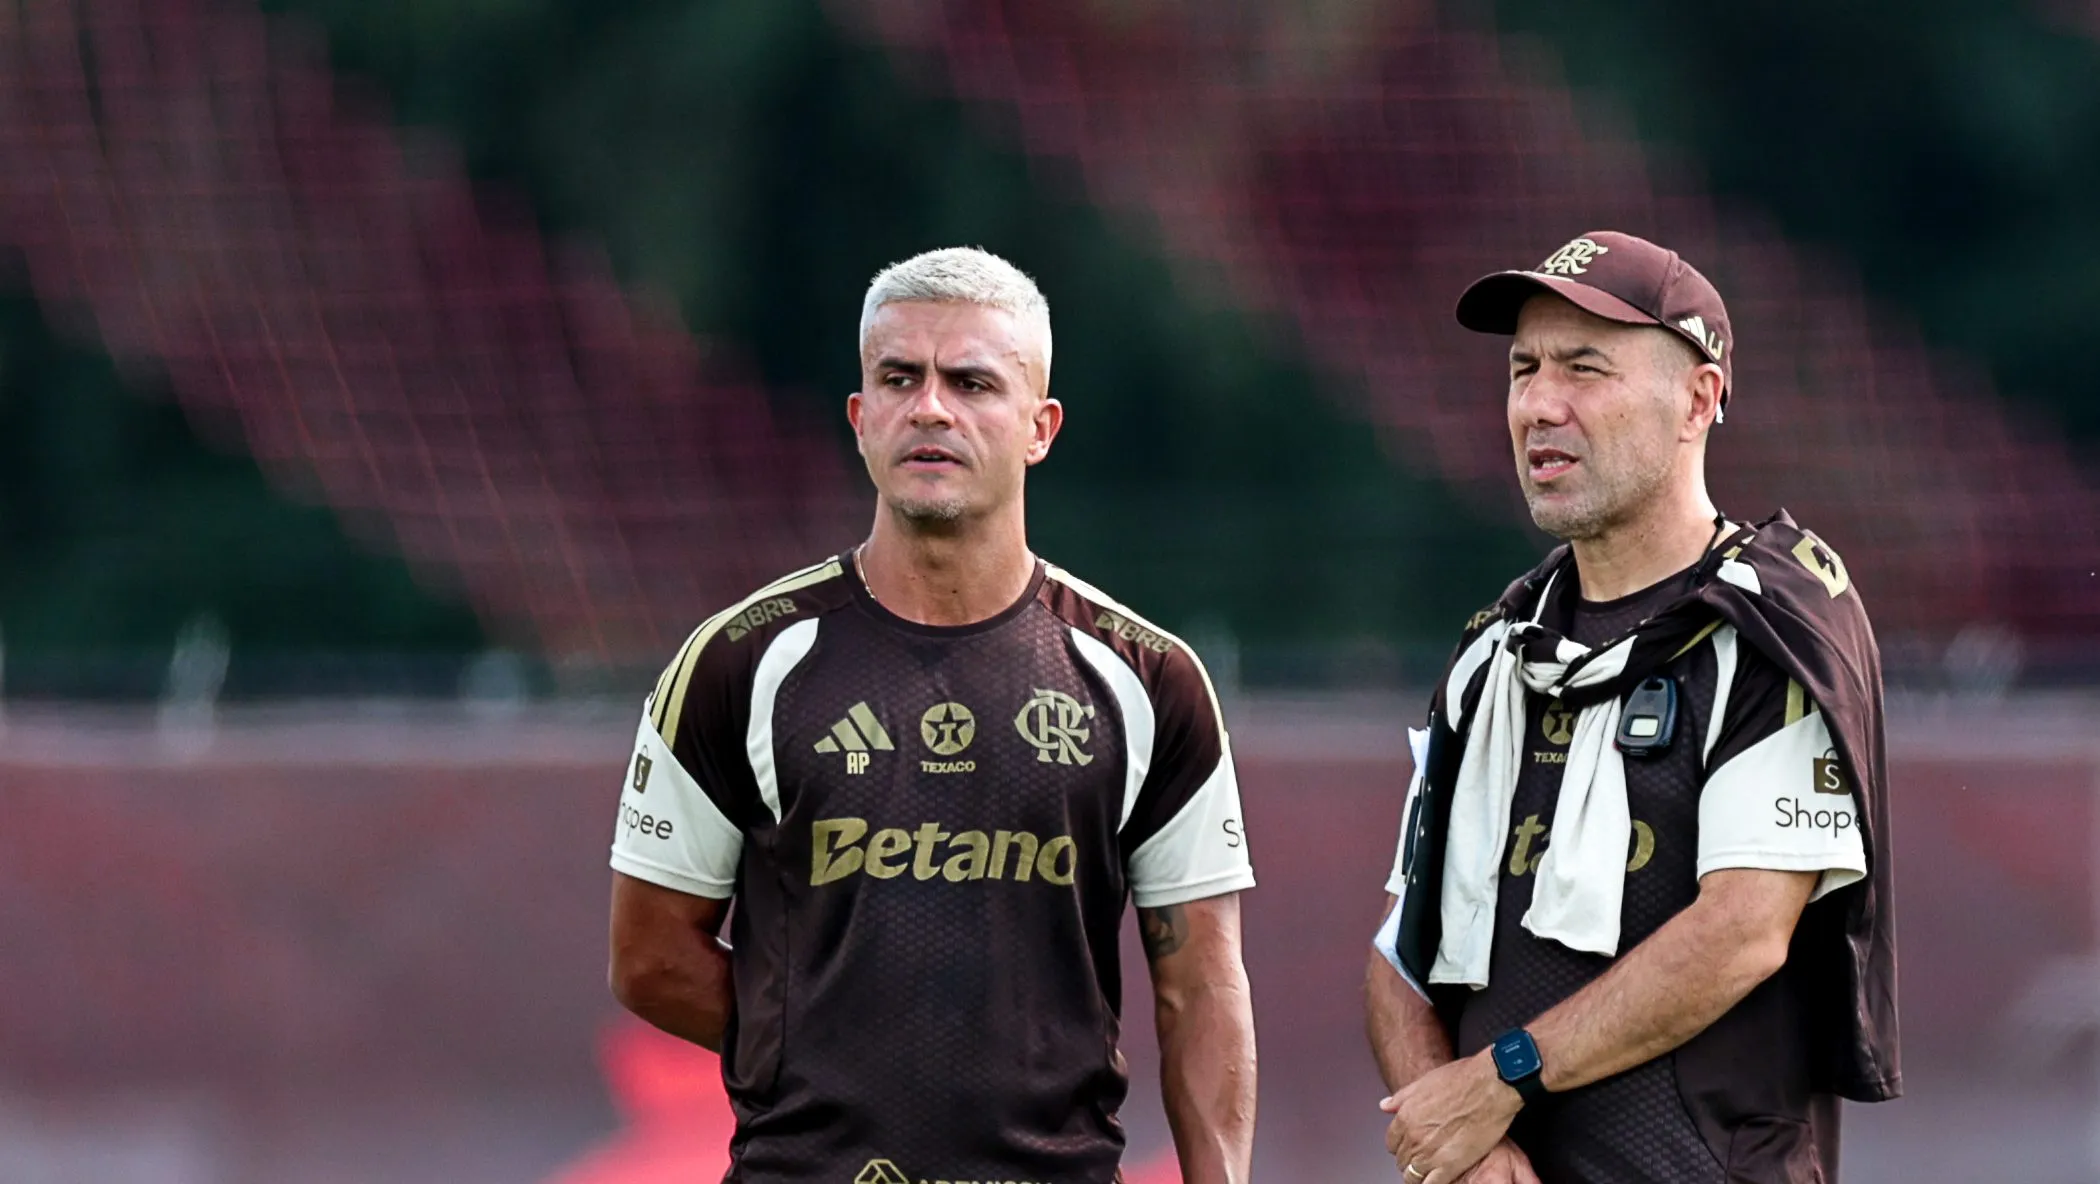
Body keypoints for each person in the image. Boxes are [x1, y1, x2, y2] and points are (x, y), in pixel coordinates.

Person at [606, 247, 1258, 1184]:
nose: (932, 408)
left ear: (1041, 426)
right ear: (861, 418)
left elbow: (1202, 988)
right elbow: (649, 959)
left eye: (973, 382)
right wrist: (835, 1055)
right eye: (899, 379)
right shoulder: (739, 661)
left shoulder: (1146, 677)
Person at [1364, 232, 1900, 1184]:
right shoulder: (1497, 650)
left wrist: (1500, 1080)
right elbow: (1400, 957)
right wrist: (1465, 1142)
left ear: (1699, 399)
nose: (1538, 405)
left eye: (1586, 368)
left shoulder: (1774, 619)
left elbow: (1740, 932)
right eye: (1523, 368)